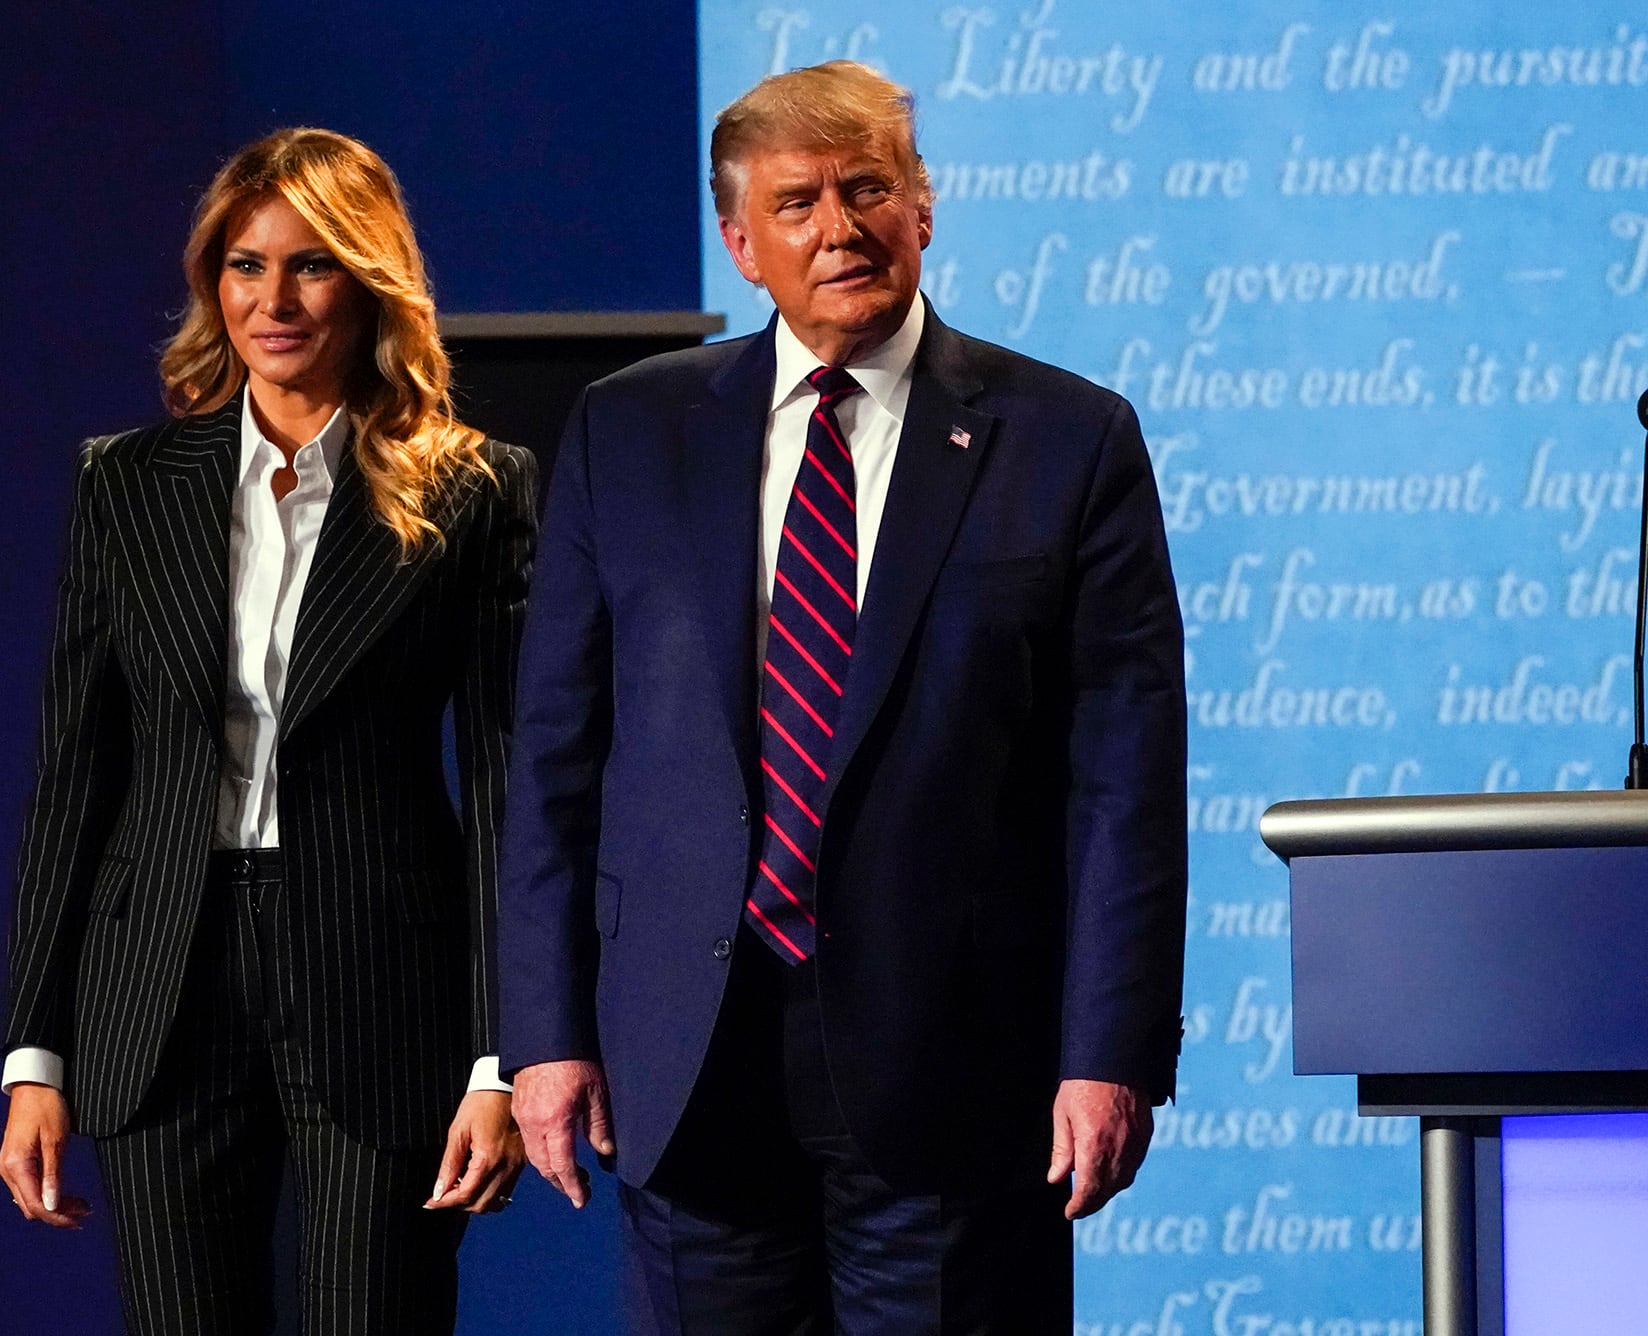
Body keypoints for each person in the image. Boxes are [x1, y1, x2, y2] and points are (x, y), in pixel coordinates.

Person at [499, 62, 1186, 1332]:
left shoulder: (1067, 438)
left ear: (922, 209)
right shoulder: (625, 431)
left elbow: (1122, 786)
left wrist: (1108, 1051)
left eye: (868, 188)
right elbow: (554, 758)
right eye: (798, 199)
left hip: (960, 1071)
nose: (839, 226)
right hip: (689, 1060)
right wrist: (537, 1034)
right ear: (740, 243)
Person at [0, 127, 534, 1335]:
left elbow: (507, 785)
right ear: (211, 285)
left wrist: (501, 1057)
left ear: (369, 280)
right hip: (161, 980)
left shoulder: (475, 487)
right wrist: (34, 1055)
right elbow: (74, 776)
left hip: (381, 972)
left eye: (311, 265)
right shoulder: (126, 483)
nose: (272, 299)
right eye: (244, 266)